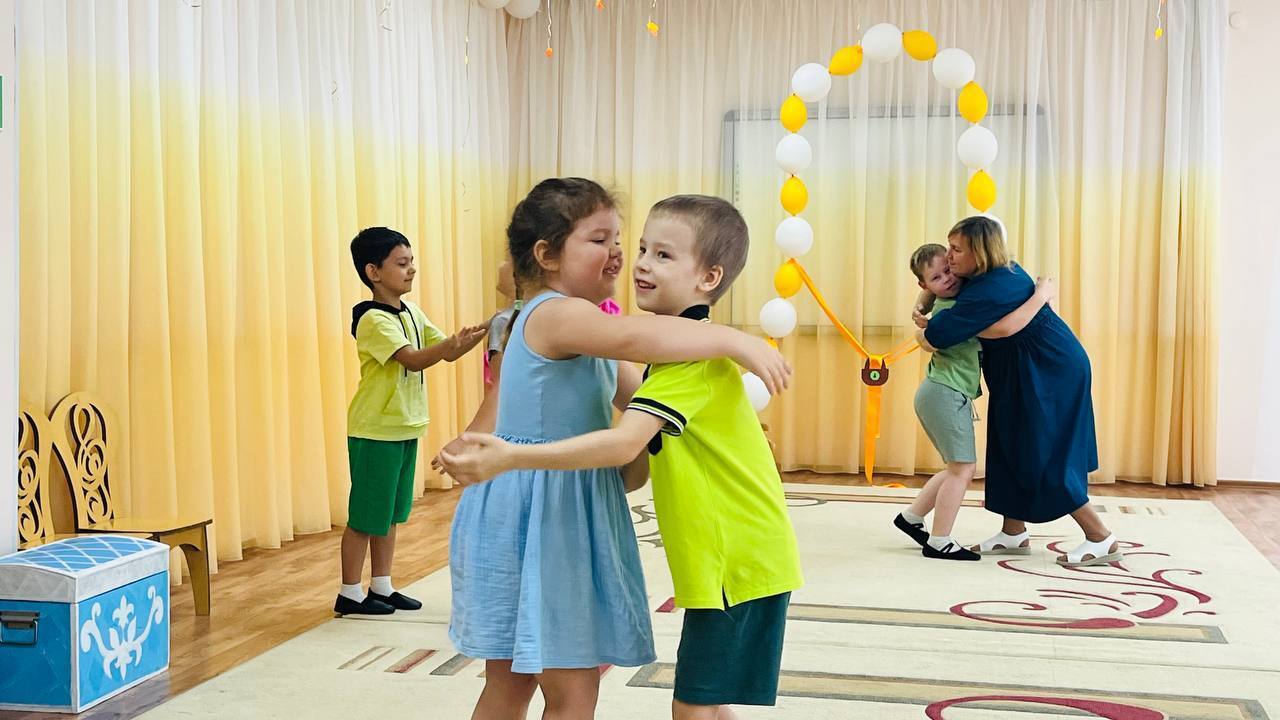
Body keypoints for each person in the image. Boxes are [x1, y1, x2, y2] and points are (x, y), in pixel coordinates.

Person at [445, 179, 791, 719]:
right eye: (600, 240)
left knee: (511, 681)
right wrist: (735, 339)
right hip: (544, 509)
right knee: (572, 688)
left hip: (531, 500)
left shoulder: (576, 328)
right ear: (547, 255)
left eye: (621, 241)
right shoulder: (561, 314)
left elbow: (636, 413)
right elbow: (638, 342)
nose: (623, 256)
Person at [917, 216, 1120, 567]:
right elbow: (938, 284)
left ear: (979, 252)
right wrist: (922, 302)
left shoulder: (989, 289)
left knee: (1044, 452)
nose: (949, 256)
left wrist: (922, 328)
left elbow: (936, 336)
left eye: (956, 249)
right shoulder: (989, 273)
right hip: (1021, 369)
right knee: (1010, 445)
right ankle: (1013, 532)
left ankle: (1101, 537)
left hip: (1049, 370)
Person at [336, 227, 487, 616]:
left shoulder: (412, 313)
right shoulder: (372, 319)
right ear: (373, 272)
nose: (412, 270)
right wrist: (450, 344)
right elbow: (414, 359)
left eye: (411, 262)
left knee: (389, 514)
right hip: (375, 430)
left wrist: (493, 324)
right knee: (366, 516)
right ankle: (350, 593)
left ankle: (382, 586)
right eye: (402, 263)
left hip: (404, 426)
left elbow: (448, 351)